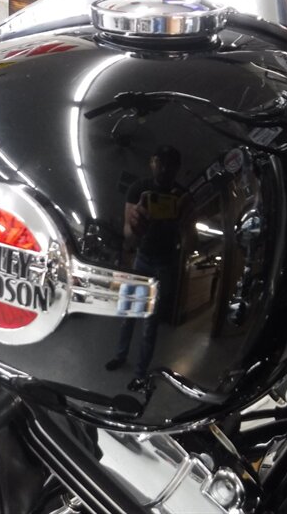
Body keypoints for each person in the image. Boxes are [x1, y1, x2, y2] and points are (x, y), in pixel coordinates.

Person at [105, 145, 188, 392]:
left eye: (170, 164)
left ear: (177, 168)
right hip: (142, 257)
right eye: (160, 162)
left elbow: (189, 239)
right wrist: (134, 224)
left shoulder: (183, 196)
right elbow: (127, 235)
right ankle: (120, 355)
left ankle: (140, 374)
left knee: (150, 324)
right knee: (128, 313)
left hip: (165, 262)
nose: (164, 168)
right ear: (152, 162)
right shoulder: (139, 189)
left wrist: (185, 222)